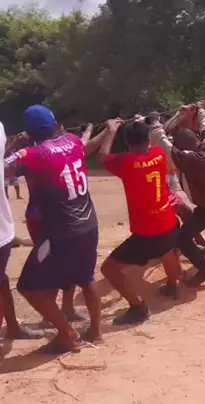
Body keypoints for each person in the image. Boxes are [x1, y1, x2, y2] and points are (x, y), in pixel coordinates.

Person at [5, 105, 105, 352]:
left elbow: (4, 167)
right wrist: (96, 130)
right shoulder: (72, 141)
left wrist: (13, 144)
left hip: (61, 233)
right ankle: (96, 332)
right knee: (87, 278)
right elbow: (84, 142)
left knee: (27, 286)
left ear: (29, 132)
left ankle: (67, 333)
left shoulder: (33, 154)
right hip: (89, 224)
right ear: (54, 124)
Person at [96, 118, 183, 329]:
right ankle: (172, 285)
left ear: (127, 142)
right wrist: (142, 124)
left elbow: (102, 157)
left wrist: (111, 130)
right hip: (169, 220)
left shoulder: (125, 162)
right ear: (148, 139)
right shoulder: (158, 153)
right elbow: (149, 143)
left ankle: (138, 308)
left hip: (147, 231)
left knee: (109, 269)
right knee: (167, 250)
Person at [150, 104, 205, 287]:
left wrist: (154, 121)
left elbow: (161, 141)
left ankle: (204, 271)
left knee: (183, 239)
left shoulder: (187, 160)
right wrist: (200, 110)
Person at [0, 122, 45, 340]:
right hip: (2, 229)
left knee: (2, 280)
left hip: (3, 229)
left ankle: (13, 328)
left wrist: (14, 145)